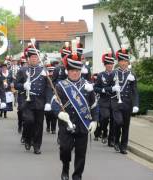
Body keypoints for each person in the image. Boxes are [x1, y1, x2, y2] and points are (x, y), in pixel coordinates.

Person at [51, 52, 98, 180]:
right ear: (68, 71)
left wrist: (95, 121)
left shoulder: (87, 86)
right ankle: (65, 167)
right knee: (65, 149)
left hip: (83, 124)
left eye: (77, 70)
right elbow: (54, 103)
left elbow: (94, 105)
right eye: (72, 70)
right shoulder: (60, 86)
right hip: (67, 124)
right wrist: (60, 113)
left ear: (80, 71)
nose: (75, 73)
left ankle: (77, 176)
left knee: (81, 153)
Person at [15, 44, 52, 154]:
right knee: (29, 121)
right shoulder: (23, 70)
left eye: (36, 57)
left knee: (39, 124)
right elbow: (16, 85)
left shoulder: (43, 71)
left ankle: (37, 145)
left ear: (38, 58)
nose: (34, 59)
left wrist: (48, 102)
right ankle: (27, 138)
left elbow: (49, 88)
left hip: (40, 101)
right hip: (27, 100)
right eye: (32, 57)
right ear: (28, 59)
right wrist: (23, 86)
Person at [110, 47, 139, 154]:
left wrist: (136, 104)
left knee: (126, 125)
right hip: (116, 103)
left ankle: (123, 146)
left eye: (125, 61)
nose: (123, 63)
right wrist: (112, 88)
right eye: (121, 61)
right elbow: (107, 87)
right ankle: (116, 140)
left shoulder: (132, 75)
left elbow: (135, 91)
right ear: (119, 62)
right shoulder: (113, 73)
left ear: (128, 62)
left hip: (127, 103)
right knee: (118, 122)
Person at [93, 50, 116, 146]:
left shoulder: (116, 74)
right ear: (105, 65)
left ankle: (111, 139)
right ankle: (104, 132)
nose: (110, 66)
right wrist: (103, 90)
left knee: (114, 120)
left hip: (114, 100)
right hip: (104, 100)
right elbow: (95, 88)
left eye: (111, 64)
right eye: (108, 64)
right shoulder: (101, 75)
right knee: (105, 117)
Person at [44, 63, 57, 134]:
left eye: (52, 72)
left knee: (54, 114)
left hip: (55, 97)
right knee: (47, 114)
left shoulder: (56, 79)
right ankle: (48, 126)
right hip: (48, 98)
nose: (51, 73)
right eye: (50, 72)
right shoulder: (46, 78)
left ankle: (54, 128)